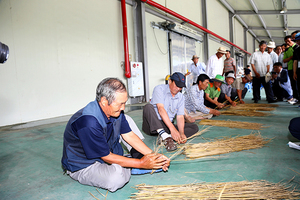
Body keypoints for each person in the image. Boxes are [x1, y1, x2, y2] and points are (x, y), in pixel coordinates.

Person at [61, 78, 170, 192]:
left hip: (107, 154)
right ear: (104, 101)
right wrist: (142, 163)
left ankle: (127, 164)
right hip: (84, 164)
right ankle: (129, 164)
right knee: (115, 179)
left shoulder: (115, 112)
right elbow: (106, 156)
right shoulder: (89, 122)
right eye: (120, 104)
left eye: (125, 103)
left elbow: (129, 136)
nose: (123, 107)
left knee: (127, 120)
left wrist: (154, 157)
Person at [142, 72, 199, 152]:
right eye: (177, 85)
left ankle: (166, 136)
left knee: (194, 127)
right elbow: (160, 109)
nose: (179, 89)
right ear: (170, 81)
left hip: (167, 125)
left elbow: (180, 116)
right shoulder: (159, 89)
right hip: (152, 125)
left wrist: (181, 133)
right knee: (148, 107)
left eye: (181, 87)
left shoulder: (180, 97)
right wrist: (173, 129)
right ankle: (166, 137)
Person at [283, 35, 299, 99]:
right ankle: (295, 98)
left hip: (298, 68)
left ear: (292, 39)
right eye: (286, 41)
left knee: (297, 84)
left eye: (288, 40)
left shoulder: (297, 47)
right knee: (293, 84)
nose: (287, 42)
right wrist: (292, 57)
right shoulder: (287, 50)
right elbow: (284, 60)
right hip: (290, 68)